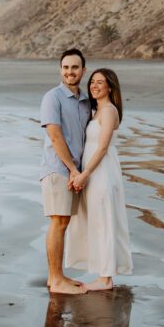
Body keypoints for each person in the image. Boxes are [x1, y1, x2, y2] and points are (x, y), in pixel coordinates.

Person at [65, 68, 133, 291]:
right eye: (92, 81)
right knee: (96, 221)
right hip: (93, 173)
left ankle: (106, 279)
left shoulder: (109, 111)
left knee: (104, 221)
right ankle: (103, 274)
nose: (94, 86)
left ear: (110, 87)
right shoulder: (97, 110)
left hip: (102, 173)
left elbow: (102, 147)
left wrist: (84, 174)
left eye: (100, 82)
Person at [40, 48, 91, 295]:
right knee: (58, 222)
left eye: (75, 67)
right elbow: (54, 134)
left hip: (74, 172)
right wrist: (72, 169)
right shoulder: (53, 97)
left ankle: (56, 276)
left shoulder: (84, 100)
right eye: (66, 67)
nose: (70, 72)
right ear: (60, 70)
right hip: (57, 169)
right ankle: (56, 279)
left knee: (64, 222)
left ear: (83, 70)